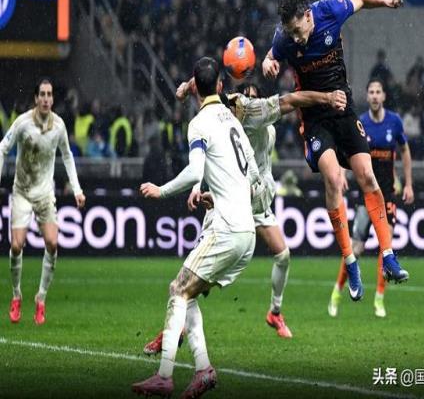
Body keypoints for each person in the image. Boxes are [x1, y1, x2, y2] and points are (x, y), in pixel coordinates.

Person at [142, 80, 347, 351]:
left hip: (256, 196)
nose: (245, 102)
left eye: (251, 97)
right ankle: (173, 329)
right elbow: (207, 154)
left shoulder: (265, 125)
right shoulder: (228, 121)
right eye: (242, 97)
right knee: (193, 281)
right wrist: (197, 188)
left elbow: (284, 104)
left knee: (283, 255)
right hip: (231, 199)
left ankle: (275, 312)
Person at [262, 0, 412, 301]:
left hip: (343, 109)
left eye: (298, 30)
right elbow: (271, 55)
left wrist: (389, 1)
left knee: (367, 175)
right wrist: (268, 62)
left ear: (308, 16)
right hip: (315, 119)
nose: (296, 38)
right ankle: (350, 261)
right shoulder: (285, 38)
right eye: (291, 33)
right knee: (332, 178)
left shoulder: (330, 10)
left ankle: (388, 255)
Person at [131, 57, 261, 398]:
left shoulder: (199, 123)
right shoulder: (233, 122)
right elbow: (253, 178)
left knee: (178, 289)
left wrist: (161, 190)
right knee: (187, 293)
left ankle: (164, 376)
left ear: (195, 85)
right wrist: (217, 196)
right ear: (220, 84)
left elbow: (194, 172)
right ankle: (203, 369)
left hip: (226, 229)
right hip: (246, 232)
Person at [0, 78, 86, 325]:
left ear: (52, 99)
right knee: (17, 246)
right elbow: (3, 147)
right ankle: (16, 295)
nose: (46, 99)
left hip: (45, 194)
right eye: (42, 94)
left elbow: (67, 156)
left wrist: (77, 190)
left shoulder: (58, 126)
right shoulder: (22, 123)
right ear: (36, 98)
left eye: (49, 95)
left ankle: (41, 298)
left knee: (52, 243)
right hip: (22, 191)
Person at [328, 79, 414, 319]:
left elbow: (405, 151)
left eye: (378, 92)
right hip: (365, 195)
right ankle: (337, 291)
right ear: (367, 97)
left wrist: (408, 183)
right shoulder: (361, 123)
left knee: (386, 246)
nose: (375, 96)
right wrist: (341, 174)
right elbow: (347, 151)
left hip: (387, 193)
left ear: (384, 96)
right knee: (356, 248)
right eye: (371, 92)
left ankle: (379, 298)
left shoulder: (394, 122)